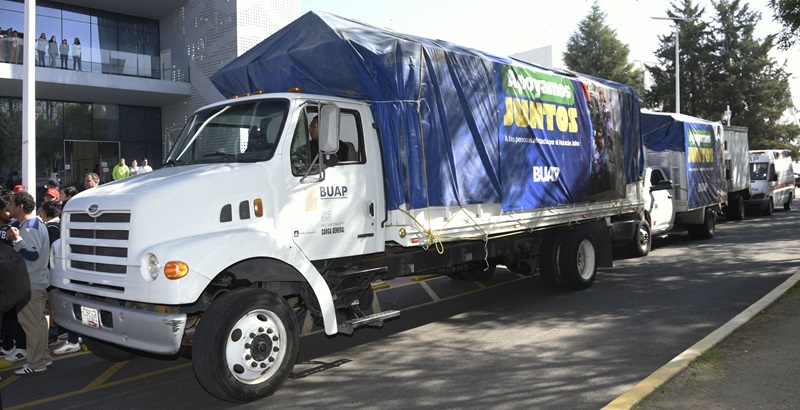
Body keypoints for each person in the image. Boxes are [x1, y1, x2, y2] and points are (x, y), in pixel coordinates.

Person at [5, 191, 52, 375]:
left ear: (21, 206)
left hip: (31, 283)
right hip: (37, 282)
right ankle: (43, 358)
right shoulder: (34, 223)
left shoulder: (30, 227)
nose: (8, 206)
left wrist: (16, 240)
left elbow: (32, 254)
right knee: (38, 324)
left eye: (11, 203)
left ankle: (36, 363)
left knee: (31, 326)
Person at [0, 190, 27, 362]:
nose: (9, 211)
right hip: (7, 280)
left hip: (13, 279)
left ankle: (21, 347)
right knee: (9, 314)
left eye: (10, 207)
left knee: (16, 315)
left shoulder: (12, 229)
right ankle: (8, 344)